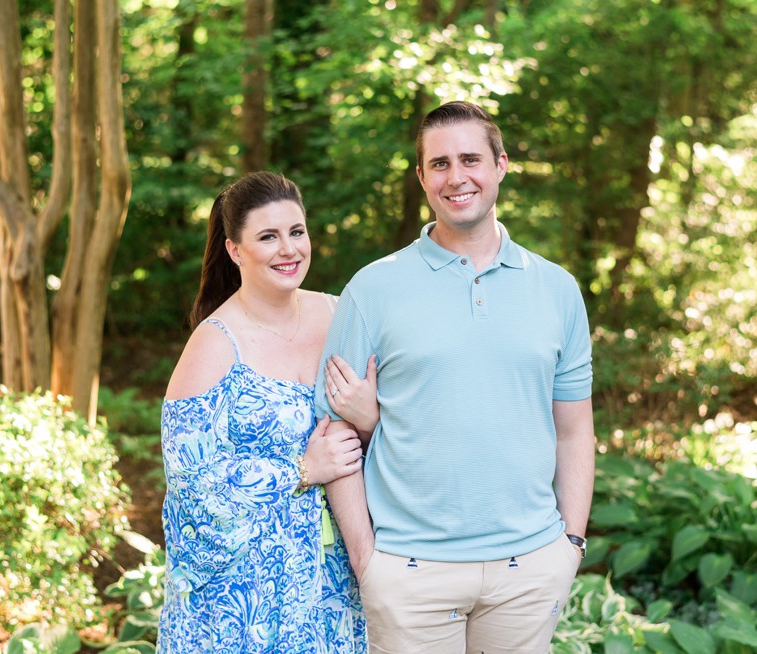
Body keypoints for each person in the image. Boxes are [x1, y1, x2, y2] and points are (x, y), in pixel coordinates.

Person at [316, 101, 596, 653]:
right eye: (439, 163)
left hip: (530, 569)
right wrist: (366, 560)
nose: (456, 176)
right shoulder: (372, 289)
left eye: (470, 158)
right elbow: (332, 432)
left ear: (501, 165)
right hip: (409, 570)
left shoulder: (558, 288)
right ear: (421, 177)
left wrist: (570, 544)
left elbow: (574, 430)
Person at [158, 171, 378, 653]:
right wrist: (301, 469)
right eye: (268, 237)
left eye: (297, 232)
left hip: (336, 587)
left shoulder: (342, 315)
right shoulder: (215, 345)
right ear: (235, 249)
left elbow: (398, 432)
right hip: (244, 605)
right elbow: (192, 485)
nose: (289, 249)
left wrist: (369, 419)